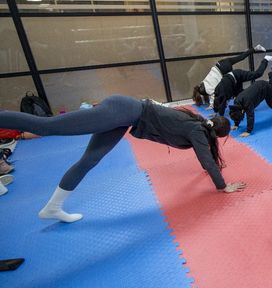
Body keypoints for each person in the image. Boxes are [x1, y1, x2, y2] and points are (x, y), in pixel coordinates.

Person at [0, 96, 245, 223]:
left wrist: (212, 169)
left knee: (90, 160)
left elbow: (206, 157)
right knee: (48, 126)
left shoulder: (197, 123)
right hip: (121, 110)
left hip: (125, 116)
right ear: (215, 134)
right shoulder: (197, 131)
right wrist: (223, 186)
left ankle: (52, 208)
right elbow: (207, 160)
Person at [192, 45, 266, 107]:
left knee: (233, 87)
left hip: (223, 69)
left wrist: (211, 106)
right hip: (220, 63)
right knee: (241, 57)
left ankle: (245, 97)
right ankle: (255, 48)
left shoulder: (208, 90)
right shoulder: (202, 84)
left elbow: (214, 97)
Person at [229, 72, 272, 137]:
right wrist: (236, 125)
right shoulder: (236, 104)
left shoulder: (247, 103)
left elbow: (250, 116)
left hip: (264, 88)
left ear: (242, 111)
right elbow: (235, 113)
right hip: (257, 86)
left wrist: (248, 131)